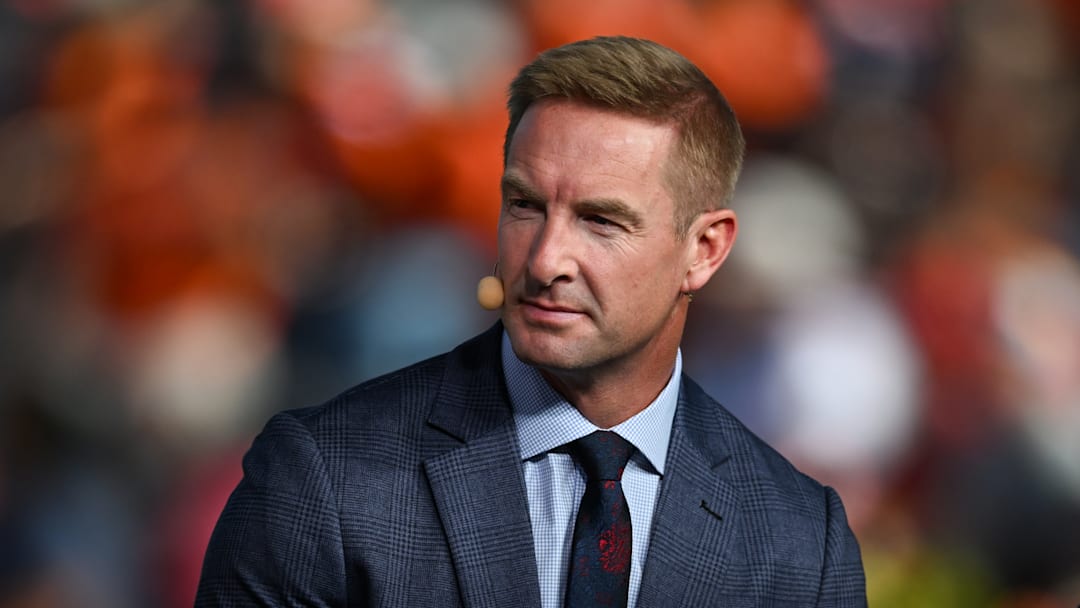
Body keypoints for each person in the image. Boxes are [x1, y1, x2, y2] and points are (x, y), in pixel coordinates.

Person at [196, 36, 867, 607]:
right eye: (525, 205)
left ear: (705, 250)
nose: (546, 260)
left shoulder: (800, 542)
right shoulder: (325, 482)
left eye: (601, 221)